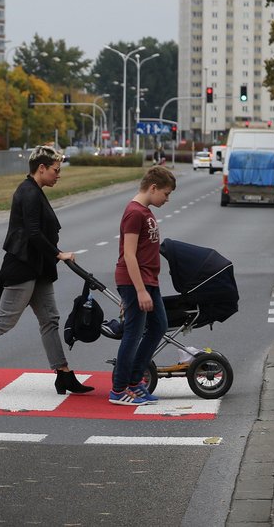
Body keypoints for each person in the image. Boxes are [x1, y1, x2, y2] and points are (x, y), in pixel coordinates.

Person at [0, 145, 93, 395]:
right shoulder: (29, 193)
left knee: (50, 319)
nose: (59, 175)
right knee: (5, 320)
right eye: (56, 170)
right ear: (41, 168)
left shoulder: (35, 190)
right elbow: (33, 233)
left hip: (39, 269)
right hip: (23, 268)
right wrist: (58, 254)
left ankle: (64, 374)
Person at [109, 165, 176, 405]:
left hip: (149, 280)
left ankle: (135, 382)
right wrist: (139, 291)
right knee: (133, 334)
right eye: (166, 194)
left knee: (159, 326)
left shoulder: (145, 211)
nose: (167, 199)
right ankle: (118, 389)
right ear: (153, 188)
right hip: (135, 281)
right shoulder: (134, 213)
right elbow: (129, 255)